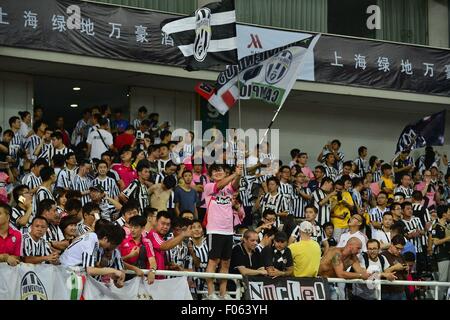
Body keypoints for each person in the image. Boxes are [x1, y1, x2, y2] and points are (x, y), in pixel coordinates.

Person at [204, 164, 242, 300]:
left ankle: (222, 293)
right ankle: (210, 293)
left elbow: (235, 185)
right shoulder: (208, 187)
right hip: (214, 229)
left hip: (228, 230)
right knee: (213, 261)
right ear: (210, 175)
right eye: (214, 171)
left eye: (220, 170)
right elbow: (218, 186)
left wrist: (238, 174)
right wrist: (233, 175)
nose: (218, 172)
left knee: (226, 263)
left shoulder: (229, 188)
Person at [59, 221, 126, 287]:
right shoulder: (91, 241)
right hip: (65, 274)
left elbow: (95, 266)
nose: (112, 248)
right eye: (113, 244)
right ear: (105, 239)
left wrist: (111, 274)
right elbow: (90, 270)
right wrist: (113, 270)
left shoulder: (95, 240)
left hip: (72, 273)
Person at [146, 211, 192, 277]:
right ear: (156, 222)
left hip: (160, 279)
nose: (165, 227)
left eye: (168, 224)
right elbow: (163, 246)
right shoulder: (153, 235)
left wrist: (169, 266)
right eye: (162, 223)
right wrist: (183, 234)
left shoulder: (161, 238)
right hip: (153, 280)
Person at [119, 215, 156, 284]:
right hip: (124, 279)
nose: (132, 230)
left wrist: (152, 271)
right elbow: (117, 260)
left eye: (135, 227)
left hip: (141, 279)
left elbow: (152, 261)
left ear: (142, 228)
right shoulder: (123, 240)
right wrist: (130, 256)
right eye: (131, 226)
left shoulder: (147, 242)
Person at [381, 235, 409, 300]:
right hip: (388, 292)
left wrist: (407, 269)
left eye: (401, 249)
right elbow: (379, 273)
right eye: (397, 248)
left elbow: (406, 275)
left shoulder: (401, 256)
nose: (399, 251)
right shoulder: (383, 255)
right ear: (391, 244)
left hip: (401, 290)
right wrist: (394, 268)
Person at [431, 205, 450, 299]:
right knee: (443, 279)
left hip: (448, 254)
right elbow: (435, 241)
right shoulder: (436, 226)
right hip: (442, 255)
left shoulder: (448, 226)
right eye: (449, 212)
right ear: (444, 214)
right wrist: (448, 238)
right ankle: (439, 298)